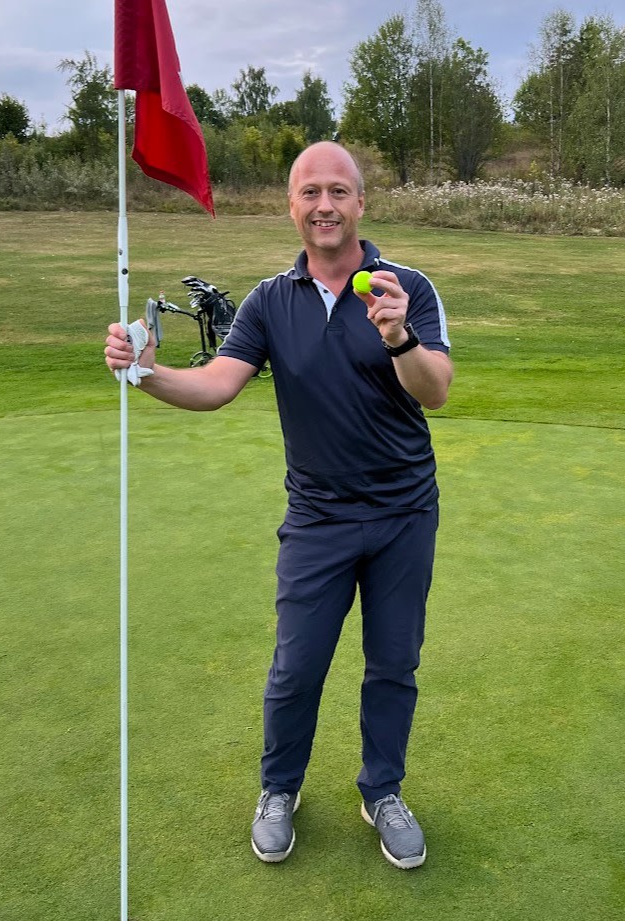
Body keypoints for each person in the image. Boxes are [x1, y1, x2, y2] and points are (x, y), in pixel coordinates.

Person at [104, 141, 453, 870]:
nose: (323, 205)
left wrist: (398, 336)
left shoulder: (403, 287)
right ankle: (278, 788)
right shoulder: (269, 300)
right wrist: (145, 374)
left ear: (360, 203)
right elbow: (219, 383)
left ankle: (381, 790)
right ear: (291, 205)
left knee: (394, 662)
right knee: (296, 667)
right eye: (308, 193)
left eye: (337, 191)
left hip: (402, 514)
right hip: (317, 520)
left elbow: (435, 389)